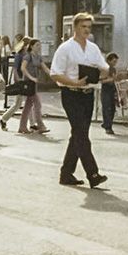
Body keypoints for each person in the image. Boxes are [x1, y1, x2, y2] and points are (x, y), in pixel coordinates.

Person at [50, 13, 109, 188]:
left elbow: (104, 67)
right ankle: (93, 173)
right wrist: (75, 81)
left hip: (88, 94)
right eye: (83, 27)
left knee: (78, 134)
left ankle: (66, 173)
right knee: (82, 134)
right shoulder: (65, 48)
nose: (87, 30)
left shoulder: (93, 48)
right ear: (75, 27)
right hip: (71, 93)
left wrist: (101, 73)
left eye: (89, 27)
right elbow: (55, 73)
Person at [99, 52, 121, 134]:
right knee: (107, 107)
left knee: (112, 108)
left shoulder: (113, 69)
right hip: (106, 89)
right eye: (114, 61)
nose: (115, 63)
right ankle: (108, 126)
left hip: (112, 89)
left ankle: (107, 123)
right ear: (109, 60)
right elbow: (101, 80)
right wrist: (111, 79)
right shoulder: (104, 69)